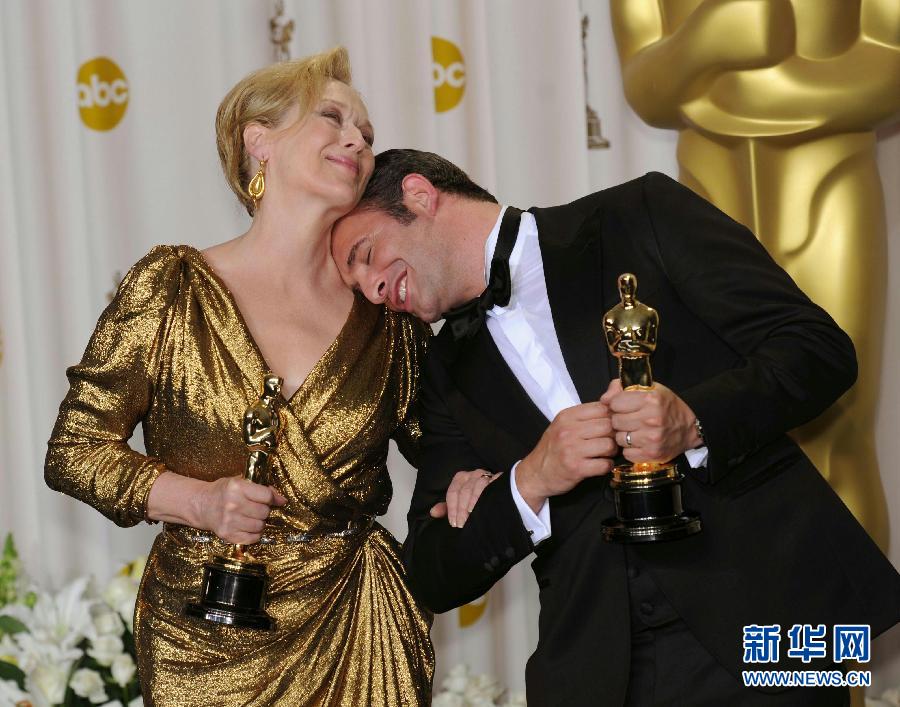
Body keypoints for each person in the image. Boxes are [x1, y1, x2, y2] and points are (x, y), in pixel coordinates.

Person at [330, 148, 900, 706]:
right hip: (596, 667)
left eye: (367, 253)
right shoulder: (442, 371)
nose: (374, 290)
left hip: (767, 615)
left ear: (419, 195)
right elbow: (432, 572)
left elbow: (819, 350)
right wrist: (527, 483)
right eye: (358, 287)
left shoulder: (640, 213)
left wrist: (694, 420)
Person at [45, 51, 434, 706]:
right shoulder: (169, 288)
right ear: (260, 141)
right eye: (332, 118)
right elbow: (75, 451)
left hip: (359, 626)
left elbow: (451, 442)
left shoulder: (389, 315)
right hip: (203, 639)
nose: (357, 141)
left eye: (367, 135)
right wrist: (196, 502)